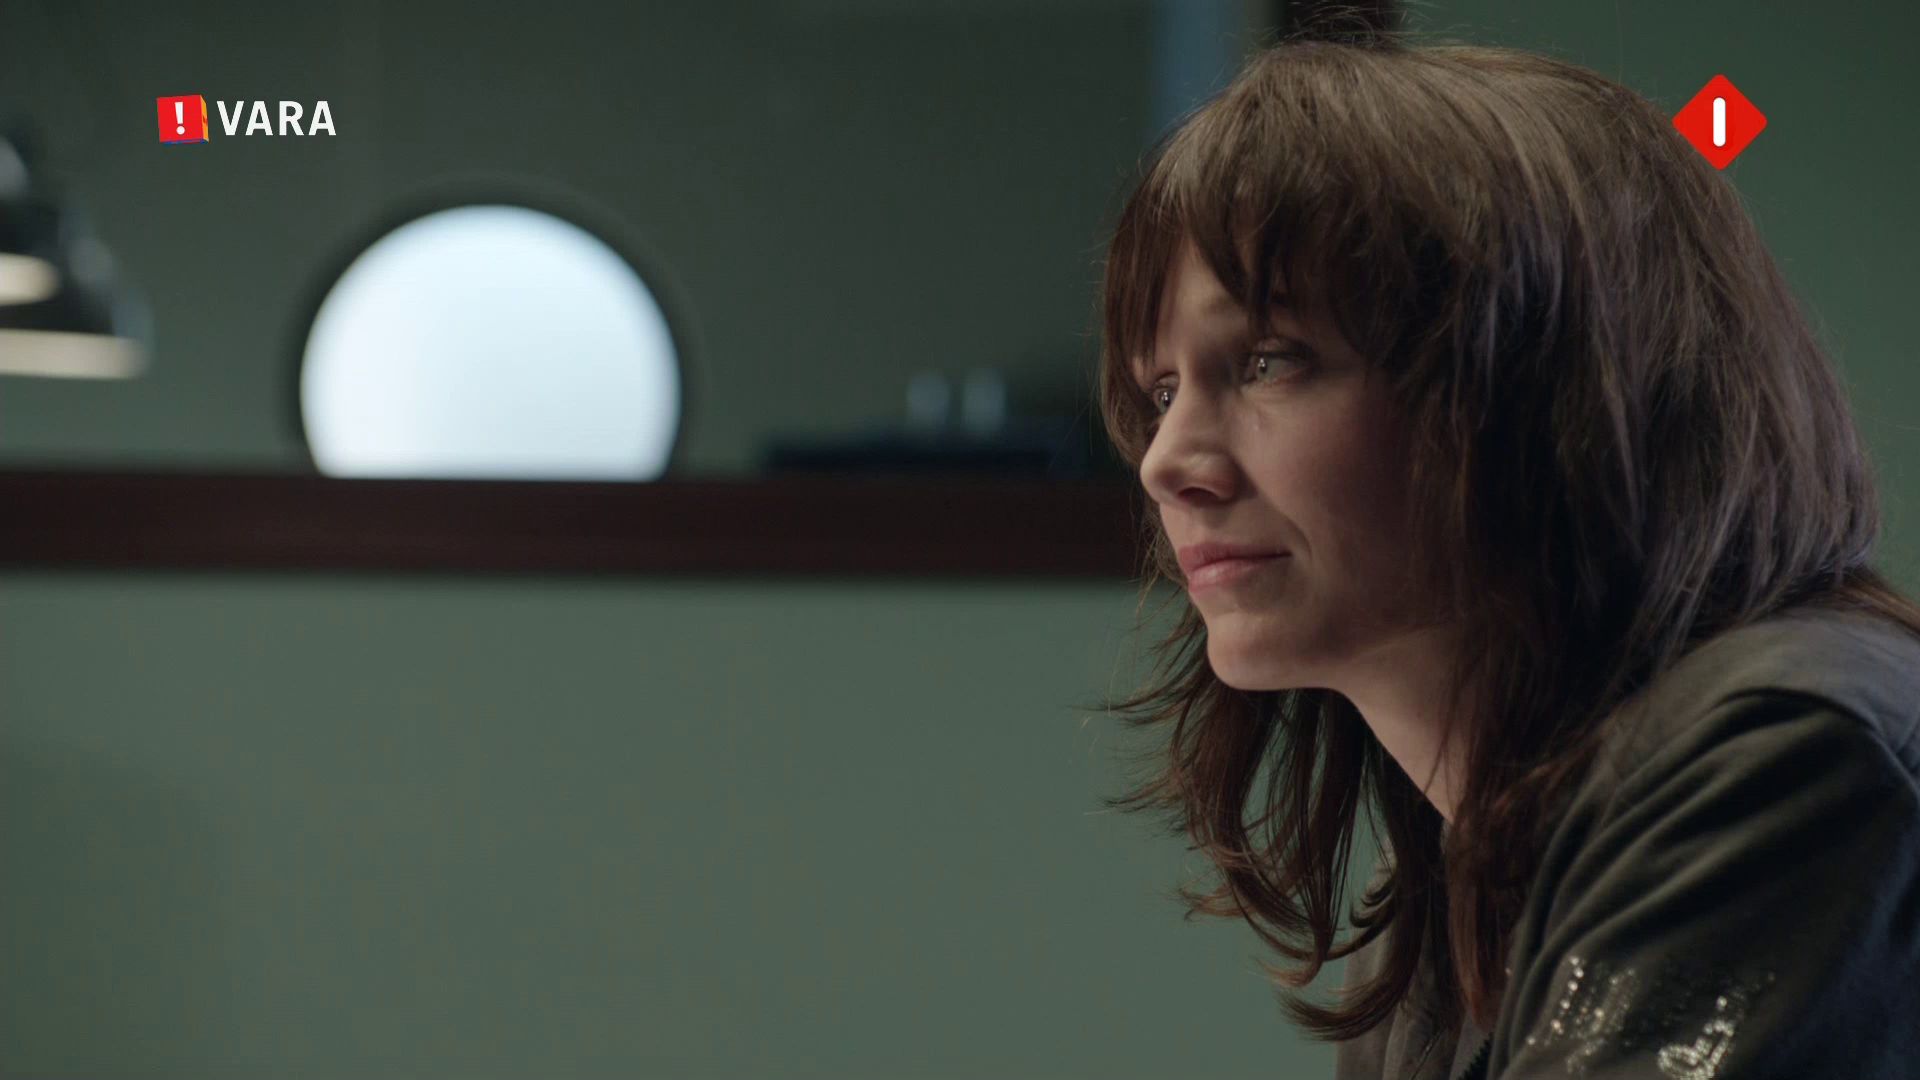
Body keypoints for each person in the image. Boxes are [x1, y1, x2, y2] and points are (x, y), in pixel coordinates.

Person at [1090, 25, 1920, 1080]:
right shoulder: (1456, 876)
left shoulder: (1783, 758)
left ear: (1541, 385)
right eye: (1162, 390)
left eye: (1268, 361)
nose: (1167, 461)